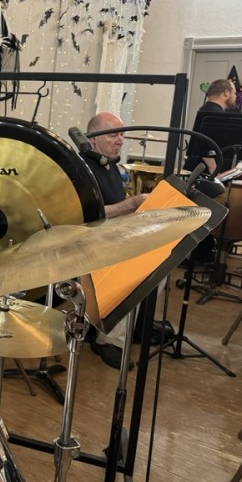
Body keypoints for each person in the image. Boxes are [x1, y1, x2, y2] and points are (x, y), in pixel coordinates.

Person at [81, 112, 148, 368]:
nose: (120, 141)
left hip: (113, 234)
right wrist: (132, 203)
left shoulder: (110, 165)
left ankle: (136, 326)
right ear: (92, 139)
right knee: (137, 268)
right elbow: (89, 213)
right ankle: (107, 340)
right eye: (112, 135)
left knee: (161, 261)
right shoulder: (83, 169)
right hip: (91, 241)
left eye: (121, 135)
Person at [184, 79, 238, 175]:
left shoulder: (208, 109)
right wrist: (213, 168)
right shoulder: (214, 113)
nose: (235, 96)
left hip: (202, 169)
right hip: (204, 171)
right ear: (226, 93)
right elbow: (203, 143)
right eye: (234, 93)